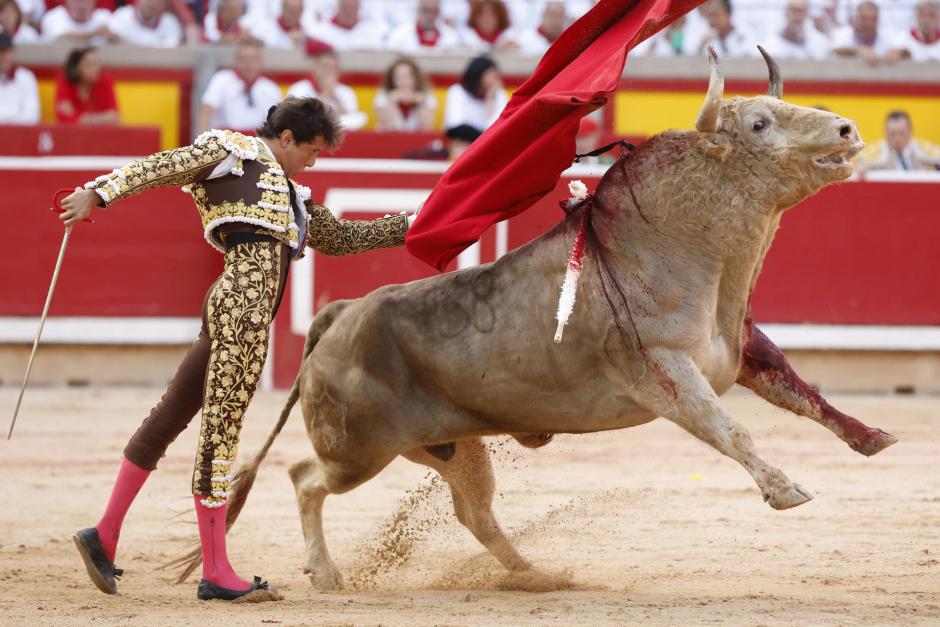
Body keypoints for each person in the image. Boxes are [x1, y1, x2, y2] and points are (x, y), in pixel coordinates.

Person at [59, 96, 417, 602]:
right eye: (311, 150)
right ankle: (215, 570)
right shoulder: (232, 151)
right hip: (242, 311)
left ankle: (105, 534)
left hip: (232, 307)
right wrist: (98, 194)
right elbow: (163, 166)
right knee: (221, 429)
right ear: (287, 137)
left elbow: (340, 237)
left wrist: (414, 224)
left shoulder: (293, 194)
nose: (314, 161)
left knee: (169, 417)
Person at [195, 41, 281, 135]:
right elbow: (206, 112)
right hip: (225, 141)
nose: (249, 65)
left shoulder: (271, 88)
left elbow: (277, 124)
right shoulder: (222, 80)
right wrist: (201, 142)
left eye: (253, 60)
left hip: (258, 143)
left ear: (261, 62)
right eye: (244, 59)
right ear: (236, 61)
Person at [287, 47, 366, 130]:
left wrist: (333, 94)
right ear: (315, 69)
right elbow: (300, 120)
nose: (329, 71)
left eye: (334, 68)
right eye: (325, 66)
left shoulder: (347, 92)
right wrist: (326, 93)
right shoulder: (299, 89)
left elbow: (351, 122)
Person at [443, 55, 507, 135]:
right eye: (489, 76)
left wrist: (490, 101)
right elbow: (454, 125)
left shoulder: (499, 94)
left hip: (489, 143)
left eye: (495, 77)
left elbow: (499, 130)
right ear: (477, 76)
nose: (493, 81)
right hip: (464, 142)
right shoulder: (457, 91)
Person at [55, 46, 119, 125]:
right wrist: (102, 118)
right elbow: (63, 119)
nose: (95, 69)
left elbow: (114, 117)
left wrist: (90, 119)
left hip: (102, 135)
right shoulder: (64, 82)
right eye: (89, 65)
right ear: (76, 68)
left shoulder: (105, 82)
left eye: (97, 64)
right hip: (73, 135)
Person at [858, 110, 940, 171]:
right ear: (885, 132)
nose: (897, 139)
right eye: (892, 133)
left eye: (902, 133)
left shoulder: (928, 152)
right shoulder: (869, 156)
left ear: (910, 131)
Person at [372, 56, 437, 132]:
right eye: (398, 77)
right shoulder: (383, 94)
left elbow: (426, 127)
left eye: (408, 76)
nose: (403, 81)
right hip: (390, 141)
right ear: (392, 79)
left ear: (416, 77)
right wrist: (391, 102)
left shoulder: (427, 94)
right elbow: (388, 126)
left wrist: (421, 104)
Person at [303, 0, 388, 50]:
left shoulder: (372, 34)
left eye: (353, 8)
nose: (350, 13)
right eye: (346, 8)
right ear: (339, 6)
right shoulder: (319, 33)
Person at [831, 0, 895, 65]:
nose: (868, 24)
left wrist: (897, 53)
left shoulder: (885, 36)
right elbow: (835, 50)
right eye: (864, 19)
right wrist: (859, 50)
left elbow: (901, 48)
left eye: (873, 19)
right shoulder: (843, 33)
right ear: (856, 18)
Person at [764, 0, 831, 59]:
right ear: (786, 13)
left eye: (801, 11)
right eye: (794, 10)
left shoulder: (819, 41)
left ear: (807, 13)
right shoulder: (773, 42)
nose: (797, 16)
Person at [385, 0, 459, 51]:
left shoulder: (451, 36)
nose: (430, 15)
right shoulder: (400, 35)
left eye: (435, 11)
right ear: (418, 10)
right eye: (426, 10)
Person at [691, 0, 758, 57]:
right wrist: (701, 45)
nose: (712, 20)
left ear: (728, 14)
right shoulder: (704, 38)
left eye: (715, 15)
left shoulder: (745, 35)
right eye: (710, 15)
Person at [0, 31, 39, 124]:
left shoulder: (26, 77)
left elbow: (32, 116)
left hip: (20, 135)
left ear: (12, 52)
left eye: (5, 52)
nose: (2, 57)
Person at [108, 0, 183, 47]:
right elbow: (113, 39)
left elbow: (171, 49)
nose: (153, 4)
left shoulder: (170, 22)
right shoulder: (121, 15)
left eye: (158, 1)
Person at [40, 0, 112, 44]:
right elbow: (60, 39)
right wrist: (96, 33)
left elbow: (119, 39)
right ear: (67, 1)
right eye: (77, 0)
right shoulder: (53, 17)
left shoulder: (104, 16)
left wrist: (112, 36)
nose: (81, 5)